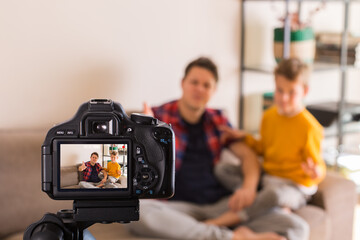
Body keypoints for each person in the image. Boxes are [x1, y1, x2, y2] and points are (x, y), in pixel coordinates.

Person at [126, 57, 303, 240]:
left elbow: (248, 156)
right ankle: (233, 237)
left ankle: (207, 232)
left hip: (222, 206)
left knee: (297, 227)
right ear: (183, 83)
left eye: (206, 85)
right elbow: (134, 167)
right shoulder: (158, 117)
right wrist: (144, 136)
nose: (199, 89)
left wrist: (248, 189)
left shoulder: (217, 120)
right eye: (194, 82)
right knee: (138, 212)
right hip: (177, 208)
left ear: (214, 90)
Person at [205, 58, 326, 240]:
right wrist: (243, 137)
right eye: (279, 90)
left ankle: (228, 219)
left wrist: (315, 172)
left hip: (293, 188)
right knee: (222, 169)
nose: (283, 98)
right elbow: (263, 148)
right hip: (268, 177)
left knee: (274, 194)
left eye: (291, 92)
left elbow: (318, 166)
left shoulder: (310, 127)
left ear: (304, 91)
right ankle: (264, 206)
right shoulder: (269, 117)